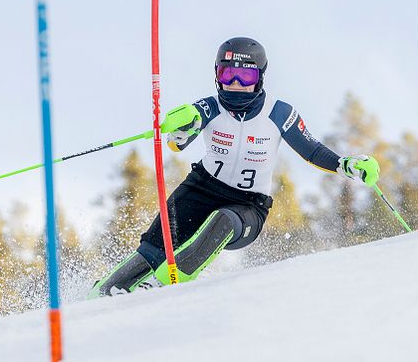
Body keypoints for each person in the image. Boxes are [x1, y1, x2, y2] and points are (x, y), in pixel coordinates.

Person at [88, 37, 380, 297]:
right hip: (201, 188)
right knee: (155, 246)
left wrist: (344, 164)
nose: (236, 84)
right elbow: (178, 144)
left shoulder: (279, 113)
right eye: (228, 74)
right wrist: (179, 134)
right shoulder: (210, 106)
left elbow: (312, 150)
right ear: (217, 75)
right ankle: (103, 294)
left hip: (248, 205)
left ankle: (163, 287)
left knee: (223, 220)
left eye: (245, 75)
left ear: (260, 77)